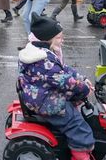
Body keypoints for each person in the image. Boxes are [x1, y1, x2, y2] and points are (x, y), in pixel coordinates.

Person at [17, 15, 95, 159]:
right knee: (76, 124)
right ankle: (81, 152)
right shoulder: (43, 61)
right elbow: (65, 81)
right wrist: (84, 89)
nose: (62, 40)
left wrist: (81, 78)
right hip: (45, 102)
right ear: (47, 39)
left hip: (40, 93)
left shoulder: (41, 53)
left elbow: (64, 70)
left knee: (74, 104)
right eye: (59, 38)